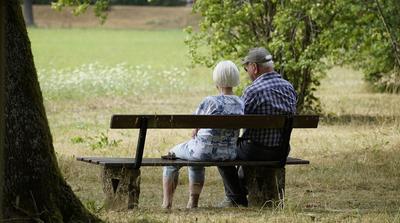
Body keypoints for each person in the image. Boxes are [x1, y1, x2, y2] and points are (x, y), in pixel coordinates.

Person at [217, 47, 298, 207]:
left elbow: (236, 121)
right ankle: (241, 190)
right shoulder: (289, 87)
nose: (247, 72)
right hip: (281, 151)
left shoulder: (252, 91)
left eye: (246, 68)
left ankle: (236, 197)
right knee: (241, 147)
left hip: (255, 150)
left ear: (254, 67)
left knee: (221, 150)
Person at [162, 60, 244, 209]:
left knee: (172, 155)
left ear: (217, 79)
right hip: (228, 154)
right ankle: (192, 203)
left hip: (202, 152)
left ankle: (166, 204)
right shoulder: (241, 103)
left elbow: (195, 129)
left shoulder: (210, 101)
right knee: (194, 155)